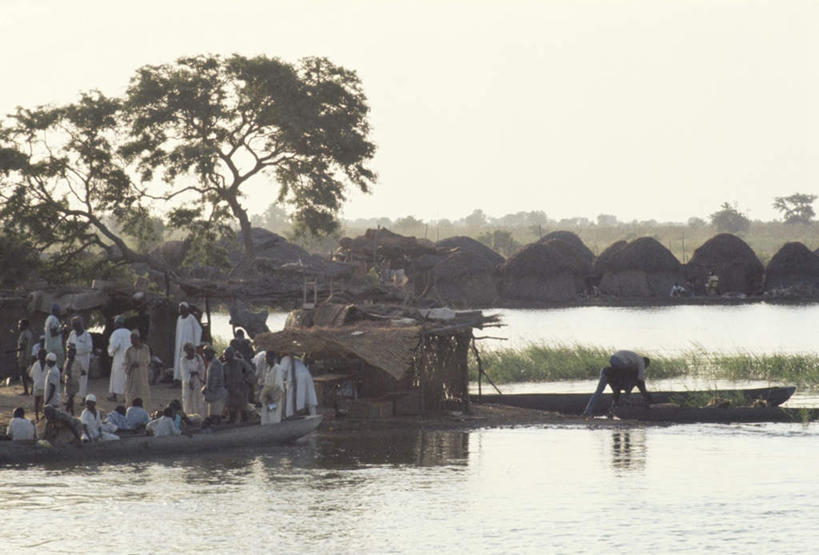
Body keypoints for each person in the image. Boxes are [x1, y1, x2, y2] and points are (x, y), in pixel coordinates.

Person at [582, 350, 652, 417]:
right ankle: (611, 410)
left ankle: (590, 411)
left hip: (606, 371)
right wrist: (647, 397)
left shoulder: (629, 365)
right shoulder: (640, 363)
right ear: (645, 363)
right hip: (609, 374)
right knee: (616, 392)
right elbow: (641, 382)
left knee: (601, 392)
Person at [222, 347, 255, 424]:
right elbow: (222, 379)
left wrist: (245, 383)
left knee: (243, 411)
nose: (224, 357)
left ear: (231, 355)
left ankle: (246, 427)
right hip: (230, 392)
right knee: (231, 412)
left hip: (241, 391)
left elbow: (250, 374)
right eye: (224, 355)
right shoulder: (224, 366)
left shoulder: (241, 364)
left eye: (226, 355)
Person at [279, 354, 319, 418]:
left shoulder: (284, 359)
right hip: (307, 374)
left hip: (297, 377)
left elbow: (281, 374)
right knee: (310, 395)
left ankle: (290, 416)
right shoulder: (296, 358)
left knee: (292, 398)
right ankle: (313, 414)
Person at [174, 302, 202, 384]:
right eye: (180, 308)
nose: (180, 309)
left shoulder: (191, 318)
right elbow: (178, 332)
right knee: (179, 360)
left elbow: (198, 330)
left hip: (189, 342)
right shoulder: (179, 318)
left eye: (182, 308)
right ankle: (177, 379)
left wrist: (196, 343)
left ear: (186, 309)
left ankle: (187, 380)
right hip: (180, 342)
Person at [124, 329, 152, 411]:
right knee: (131, 396)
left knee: (143, 395)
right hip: (132, 377)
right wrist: (131, 365)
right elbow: (125, 364)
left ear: (138, 338)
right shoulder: (129, 351)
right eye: (131, 338)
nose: (132, 340)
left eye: (133, 338)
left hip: (142, 376)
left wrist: (139, 363)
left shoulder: (145, 348)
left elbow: (147, 361)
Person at [66, 316, 93, 400]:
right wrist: (69, 348)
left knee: (82, 379)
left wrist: (76, 349)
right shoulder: (72, 334)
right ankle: (70, 397)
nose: (75, 327)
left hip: (83, 360)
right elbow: (67, 344)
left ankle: (82, 398)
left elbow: (89, 348)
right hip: (72, 359)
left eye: (77, 325)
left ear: (80, 325)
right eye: (74, 325)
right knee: (71, 377)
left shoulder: (87, 335)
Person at [107, 315, 131, 402]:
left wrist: (110, 353)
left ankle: (114, 396)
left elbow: (114, 346)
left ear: (117, 323)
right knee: (126, 378)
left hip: (119, 358)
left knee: (116, 378)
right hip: (128, 359)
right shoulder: (129, 332)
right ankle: (126, 397)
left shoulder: (116, 333)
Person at [201, 344, 227, 424]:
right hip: (215, 395)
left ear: (210, 353)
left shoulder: (215, 363)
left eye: (205, 353)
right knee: (213, 417)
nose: (204, 355)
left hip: (217, 395)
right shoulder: (212, 363)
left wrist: (206, 388)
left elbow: (215, 381)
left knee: (215, 418)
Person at [180, 342, 206, 417]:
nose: (190, 352)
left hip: (197, 380)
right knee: (188, 400)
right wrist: (189, 381)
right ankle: (189, 416)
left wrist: (199, 376)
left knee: (198, 398)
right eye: (188, 350)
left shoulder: (198, 358)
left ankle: (199, 416)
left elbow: (202, 368)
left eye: (191, 350)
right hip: (187, 383)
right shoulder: (183, 360)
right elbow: (184, 372)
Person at [258, 351, 284, 425]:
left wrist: (271, 397)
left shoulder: (277, 368)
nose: (266, 359)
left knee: (273, 414)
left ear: (273, 358)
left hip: (274, 397)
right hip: (267, 397)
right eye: (266, 357)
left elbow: (278, 385)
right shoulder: (268, 369)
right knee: (266, 415)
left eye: (268, 357)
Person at [15, 319, 33, 394]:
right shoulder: (29, 333)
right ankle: (32, 389)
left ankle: (26, 391)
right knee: (28, 373)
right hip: (28, 355)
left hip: (23, 356)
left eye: (20, 324)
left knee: (24, 373)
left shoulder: (23, 334)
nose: (19, 326)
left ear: (25, 325)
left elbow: (22, 346)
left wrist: (15, 350)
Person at [29, 348, 47, 422]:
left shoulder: (48, 365)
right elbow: (31, 375)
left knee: (44, 402)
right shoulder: (36, 364)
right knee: (36, 402)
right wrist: (32, 387)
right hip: (37, 385)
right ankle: (36, 417)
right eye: (39, 354)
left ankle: (44, 416)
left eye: (42, 354)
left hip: (45, 386)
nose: (40, 356)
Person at [63, 343, 80, 415]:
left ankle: (68, 410)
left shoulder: (77, 362)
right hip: (68, 381)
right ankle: (70, 410)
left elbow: (82, 370)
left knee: (71, 396)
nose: (69, 354)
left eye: (71, 353)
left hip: (74, 381)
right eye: (68, 353)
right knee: (70, 397)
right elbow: (64, 370)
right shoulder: (67, 361)